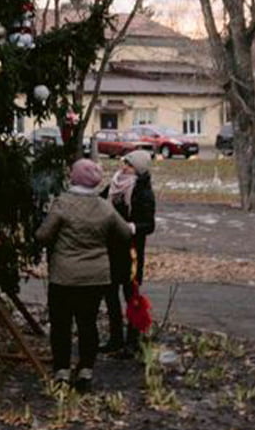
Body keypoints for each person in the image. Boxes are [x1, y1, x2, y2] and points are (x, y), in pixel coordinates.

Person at [35, 158, 131, 390]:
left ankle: (62, 371)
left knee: (61, 325)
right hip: (96, 277)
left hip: (64, 277)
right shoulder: (104, 207)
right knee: (88, 323)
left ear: (74, 177)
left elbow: (43, 236)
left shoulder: (62, 204)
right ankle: (86, 371)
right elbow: (125, 234)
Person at [101, 149, 157, 356]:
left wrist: (131, 227)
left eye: (129, 165)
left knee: (131, 295)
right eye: (124, 163)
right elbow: (99, 204)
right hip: (110, 248)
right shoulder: (113, 185)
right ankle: (115, 338)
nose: (123, 167)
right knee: (109, 293)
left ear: (139, 169)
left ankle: (132, 342)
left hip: (131, 251)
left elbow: (149, 225)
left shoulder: (143, 191)